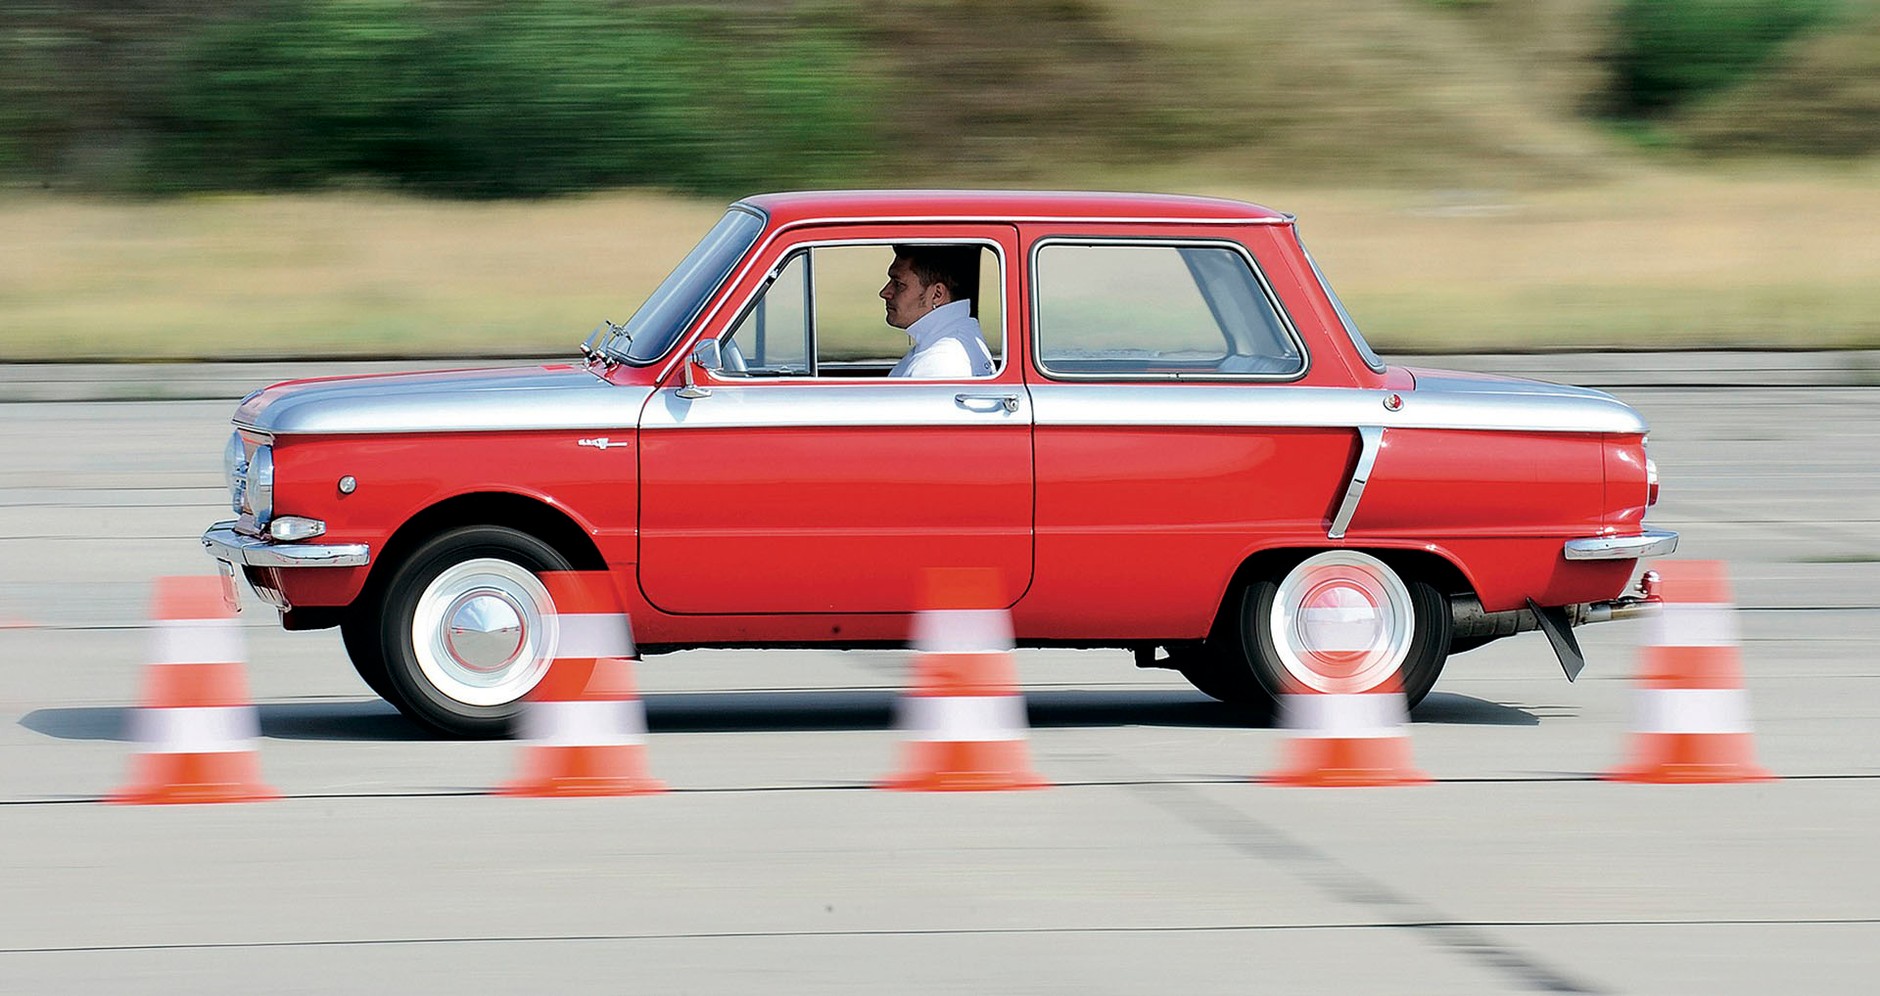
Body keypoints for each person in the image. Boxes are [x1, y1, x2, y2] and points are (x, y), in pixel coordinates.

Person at [879, 245, 994, 378]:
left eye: (899, 284)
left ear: (937, 295)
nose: (884, 293)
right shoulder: (950, 339)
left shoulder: (939, 362)